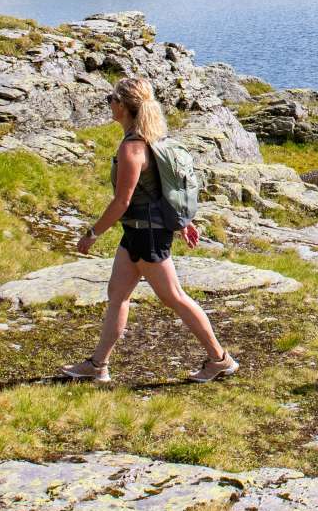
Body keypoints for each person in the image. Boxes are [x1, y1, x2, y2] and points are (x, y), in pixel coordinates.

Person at [55, 77, 238, 384]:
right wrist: (183, 223)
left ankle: (220, 359)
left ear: (124, 107)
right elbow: (162, 188)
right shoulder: (151, 140)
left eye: (111, 99)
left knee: (175, 297)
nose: (109, 104)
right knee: (117, 295)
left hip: (146, 234)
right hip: (139, 233)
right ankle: (98, 365)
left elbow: (122, 202)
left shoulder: (132, 149)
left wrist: (92, 233)